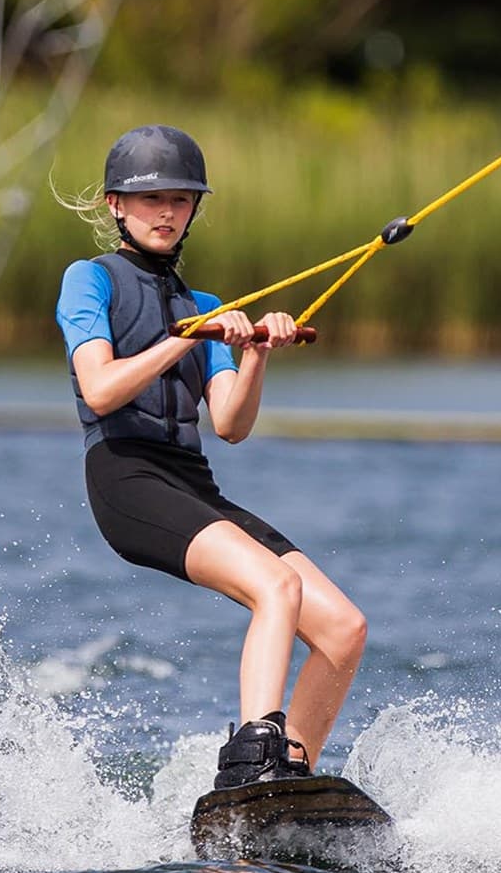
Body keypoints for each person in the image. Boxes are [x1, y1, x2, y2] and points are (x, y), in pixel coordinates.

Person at [55, 125, 368, 790]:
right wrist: (185, 339)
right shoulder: (89, 283)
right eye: (150, 199)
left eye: (181, 199)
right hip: (126, 476)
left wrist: (254, 351)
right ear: (115, 204)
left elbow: (230, 424)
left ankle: (293, 773)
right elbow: (102, 387)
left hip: (192, 482)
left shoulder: (207, 307)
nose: (167, 212)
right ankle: (252, 760)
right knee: (276, 587)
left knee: (342, 627)